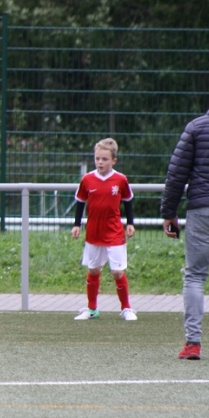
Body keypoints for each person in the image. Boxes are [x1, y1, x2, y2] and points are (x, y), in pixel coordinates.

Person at [161, 76, 209, 360]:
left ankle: (193, 344)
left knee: (195, 276)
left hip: (202, 209)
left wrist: (168, 212)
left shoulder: (196, 127)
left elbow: (176, 174)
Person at [70, 138, 137, 321]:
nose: (100, 162)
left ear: (113, 160)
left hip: (114, 232)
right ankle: (92, 309)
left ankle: (126, 308)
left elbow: (128, 200)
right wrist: (76, 224)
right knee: (93, 270)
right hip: (93, 232)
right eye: (97, 158)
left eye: (105, 159)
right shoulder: (87, 179)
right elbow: (80, 202)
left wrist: (130, 223)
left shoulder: (120, 180)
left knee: (117, 272)